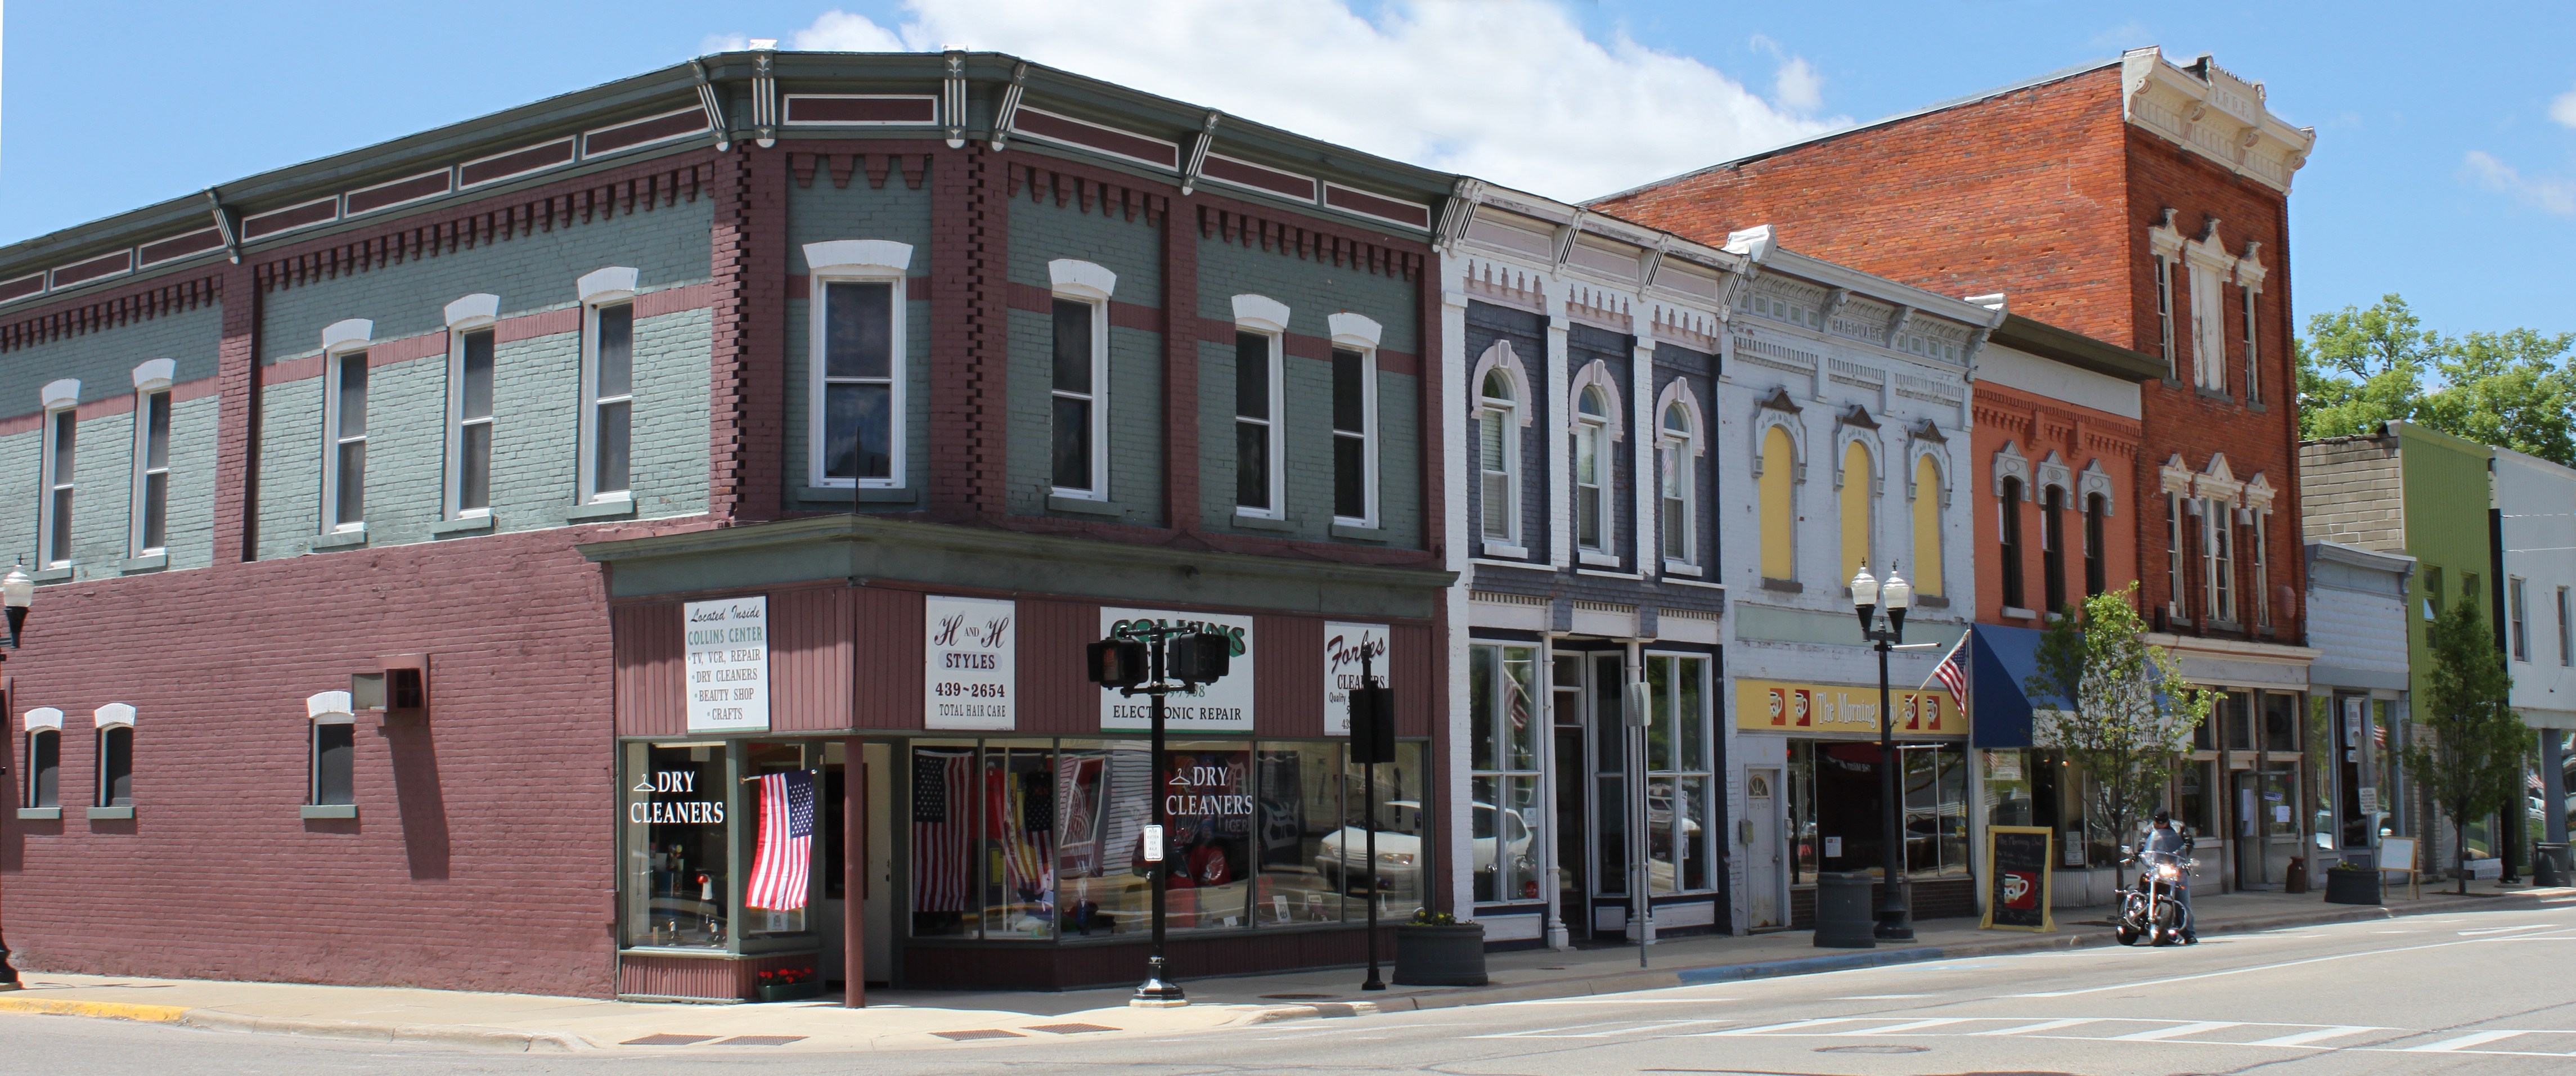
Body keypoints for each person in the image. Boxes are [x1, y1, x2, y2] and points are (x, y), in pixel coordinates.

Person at [2142, 809, 2196, 943]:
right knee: (2152, 896)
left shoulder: (2179, 827)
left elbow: (2189, 843)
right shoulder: (2148, 831)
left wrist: (2179, 855)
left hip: (2176, 868)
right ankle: (2163, 929)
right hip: (2157, 868)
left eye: (2163, 822)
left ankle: (2189, 933)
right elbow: (2143, 848)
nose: (2161, 825)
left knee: (2183, 901)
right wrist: (2145, 858)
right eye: (2158, 823)